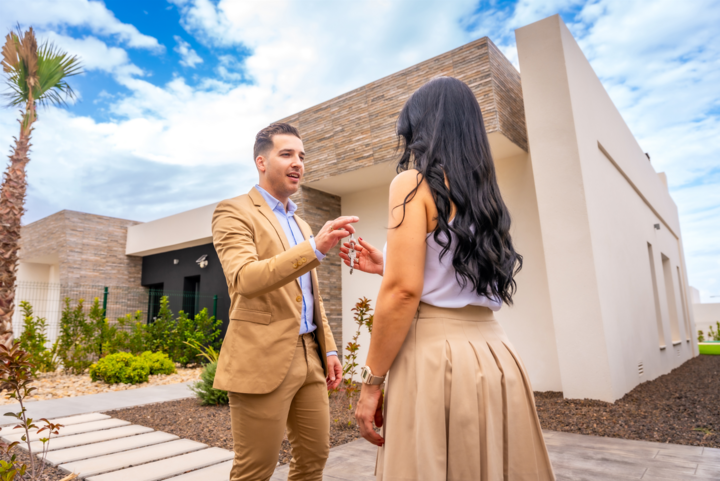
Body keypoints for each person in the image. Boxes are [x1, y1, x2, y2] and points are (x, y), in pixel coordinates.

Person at [341, 77, 556, 480]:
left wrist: (371, 383)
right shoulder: (487, 196)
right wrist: (389, 263)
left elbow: (404, 292)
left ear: (422, 127)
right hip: (496, 356)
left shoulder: (412, 183)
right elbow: (455, 274)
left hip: (437, 359)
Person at [212, 122, 358, 481]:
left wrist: (331, 350)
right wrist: (315, 249)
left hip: (310, 356)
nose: (298, 163)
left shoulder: (303, 225)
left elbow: (311, 297)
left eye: (302, 156)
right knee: (254, 470)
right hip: (261, 357)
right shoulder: (234, 211)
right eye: (287, 154)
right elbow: (245, 278)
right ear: (261, 161)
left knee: (314, 460)